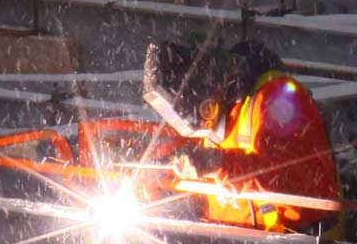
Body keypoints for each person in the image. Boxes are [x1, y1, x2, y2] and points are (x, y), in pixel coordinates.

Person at [141, 39, 343, 232]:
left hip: (296, 243)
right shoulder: (217, 112)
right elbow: (207, 181)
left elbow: (294, 181)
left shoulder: (277, 98)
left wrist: (219, 164)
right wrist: (162, 184)